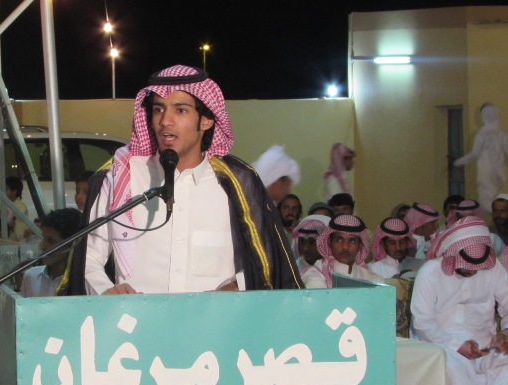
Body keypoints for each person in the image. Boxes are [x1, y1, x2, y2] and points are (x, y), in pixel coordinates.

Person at [65, 65, 302, 295]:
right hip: (135, 319)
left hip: (213, 320)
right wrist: (106, 291)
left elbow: (266, 261)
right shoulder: (122, 175)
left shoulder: (236, 183)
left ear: (206, 120)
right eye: (158, 109)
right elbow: (88, 257)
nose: (165, 121)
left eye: (180, 110)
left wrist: (239, 286)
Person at [411, 216, 508, 385]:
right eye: (468, 264)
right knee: (449, 365)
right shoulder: (430, 273)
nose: (473, 270)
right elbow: (422, 323)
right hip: (444, 344)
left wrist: (506, 332)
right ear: (454, 253)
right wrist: (458, 346)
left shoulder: (492, 268)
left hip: (487, 344)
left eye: (477, 265)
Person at [301, 214, 384, 289]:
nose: (345, 247)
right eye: (339, 240)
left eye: (352, 241)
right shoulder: (315, 275)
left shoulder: (374, 280)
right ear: (329, 242)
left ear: (360, 245)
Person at [454, 103, 508, 210]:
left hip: (486, 172)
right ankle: (498, 216)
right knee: (495, 198)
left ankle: (493, 218)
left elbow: (474, 153)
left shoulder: (482, 134)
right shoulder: (501, 135)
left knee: (486, 200)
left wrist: (458, 162)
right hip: (498, 173)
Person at [21, 208, 82, 297]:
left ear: (71, 244)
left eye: (50, 240)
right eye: (43, 238)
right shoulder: (31, 277)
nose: (42, 246)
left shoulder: (81, 282)